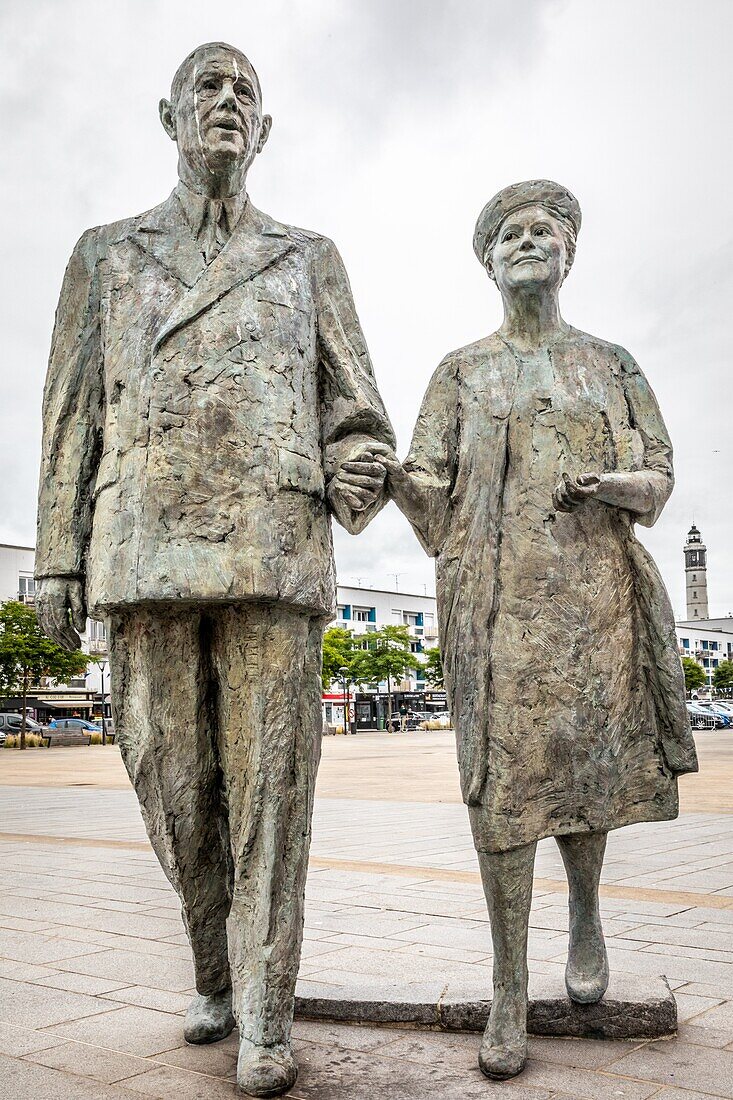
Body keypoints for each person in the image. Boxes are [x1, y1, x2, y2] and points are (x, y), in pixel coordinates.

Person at [35, 42, 393, 1097]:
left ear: (266, 130)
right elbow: (70, 417)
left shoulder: (306, 254)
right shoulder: (104, 254)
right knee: (171, 786)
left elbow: (357, 409)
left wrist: (358, 470)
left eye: (245, 92)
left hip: (270, 546)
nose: (227, 103)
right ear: (169, 115)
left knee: (274, 792)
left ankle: (266, 1010)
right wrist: (57, 554)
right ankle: (210, 962)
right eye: (208, 87)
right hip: (141, 546)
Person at [374, 180, 698, 1081]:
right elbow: (433, 501)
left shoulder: (611, 362)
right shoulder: (460, 370)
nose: (525, 243)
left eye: (542, 231)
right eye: (508, 234)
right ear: (487, 260)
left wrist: (609, 485)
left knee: (584, 774)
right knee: (503, 787)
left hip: (593, 600)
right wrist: (394, 479)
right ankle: (508, 983)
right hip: (493, 608)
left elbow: (660, 478)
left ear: (568, 252)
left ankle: (586, 913)